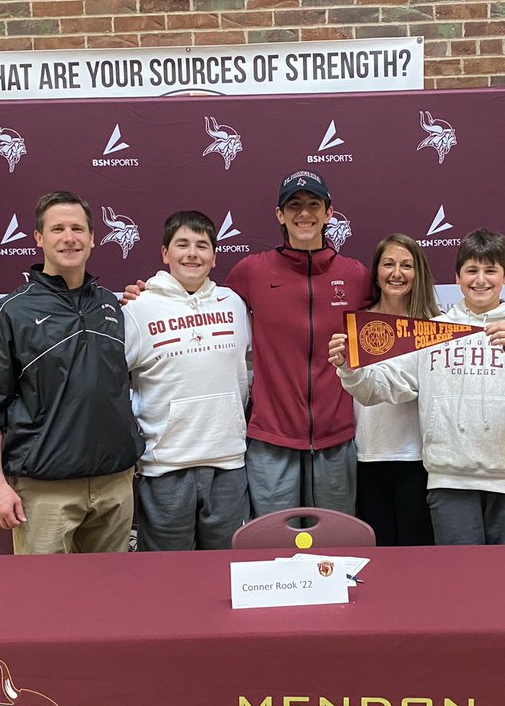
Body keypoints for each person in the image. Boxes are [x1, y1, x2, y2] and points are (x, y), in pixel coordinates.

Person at [130, 170, 371, 515]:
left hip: (336, 439)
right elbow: (198, 301)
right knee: (272, 550)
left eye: (313, 205)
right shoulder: (251, 272)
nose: (304, 214)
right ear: (279, 215)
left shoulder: (355, 275)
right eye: (294, 206)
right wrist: (150, 295)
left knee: (333, 550)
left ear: (329, 213)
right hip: (270, 438)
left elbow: (389, 323)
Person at [329, 229, 505, 546]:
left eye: (490, 270)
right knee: (460, 583)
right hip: (449, 481)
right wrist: (349, 367)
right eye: (471, 270)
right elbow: (383, 388)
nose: (480, 280)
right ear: (457, 277)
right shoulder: (434, 331)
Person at [0, 190, 143, 554]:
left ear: (93, 238)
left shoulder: (113, 306)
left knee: (111, 598)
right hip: (45, 491)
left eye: (78, 228)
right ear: (39, 238)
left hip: (114, 485)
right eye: (58, 228)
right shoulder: (10, 313)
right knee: (42, 602)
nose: (69, 238)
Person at [120, 210, 250, 550]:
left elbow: (242, 372)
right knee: (169, 576)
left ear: (214, 255)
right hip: (166, 466)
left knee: (226, 571)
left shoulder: (234, 304)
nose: (192, 253)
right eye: (182, 244)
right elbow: (117, 382)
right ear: (165, 254)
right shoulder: (138, 308)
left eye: (202, 245)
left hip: (229, 463)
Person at [352, 234, 439, 546]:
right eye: (388, 264)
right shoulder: (357, 324)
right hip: (368, 457)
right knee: (380, 556)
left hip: (419, 460)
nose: (396, 273)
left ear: (419, 273)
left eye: (406, 265)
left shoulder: (435, 325)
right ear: (376, 271)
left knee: (417, 557)